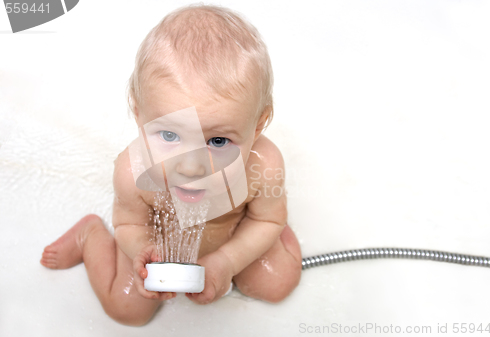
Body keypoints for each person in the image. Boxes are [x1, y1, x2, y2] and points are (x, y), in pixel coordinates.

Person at [40, 4, 302, 326]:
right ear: (139, 114)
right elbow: (130, 225)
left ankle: (276, 216)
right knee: (127, 309)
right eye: (169, 135)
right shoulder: (133, 171)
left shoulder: (263, 168)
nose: (191, 168)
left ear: (258, 124)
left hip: (231, 236)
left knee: (277, 283)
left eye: (218, 141)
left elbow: (266, 223)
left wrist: (229, 260)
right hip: (161, 243)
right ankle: (89, 236)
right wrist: (142, 250)